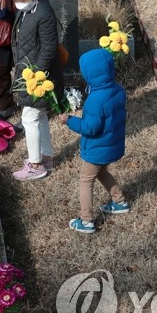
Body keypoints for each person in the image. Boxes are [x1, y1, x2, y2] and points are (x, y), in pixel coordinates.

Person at [60, 48, 129, 234]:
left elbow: (89, 127)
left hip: (97, 149)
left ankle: (87, 220)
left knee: (86, 180)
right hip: (112, 145)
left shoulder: (95, 101)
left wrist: (70, 120)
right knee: (102, 173)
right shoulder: (118, 90)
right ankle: (119, 201)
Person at [7, 0, 61, 181]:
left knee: (29, 118)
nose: (19, 4)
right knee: (40, 117)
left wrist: (36, 75)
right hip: (27, 72)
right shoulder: (27, 11)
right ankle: (46, 157)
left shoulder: (44, 13)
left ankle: (36, 164)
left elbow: (48, 48)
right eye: (15, 0)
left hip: (37, 77)